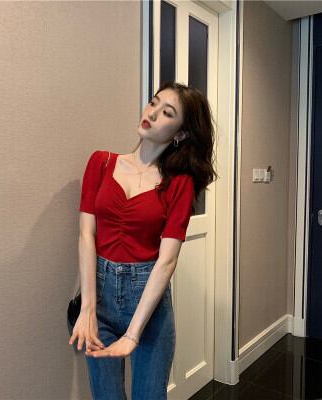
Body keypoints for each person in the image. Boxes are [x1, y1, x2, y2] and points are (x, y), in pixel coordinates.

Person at [69, 81, 218, 399]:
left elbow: (167, 260)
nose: (152, 113)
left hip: (149, 303)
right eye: (153, 102)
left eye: (167, 112)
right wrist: (88, 308)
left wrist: (133, 334)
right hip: (100, 298)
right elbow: (86, 235)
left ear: (180, 133)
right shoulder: (101, 163)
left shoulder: (179, 184)